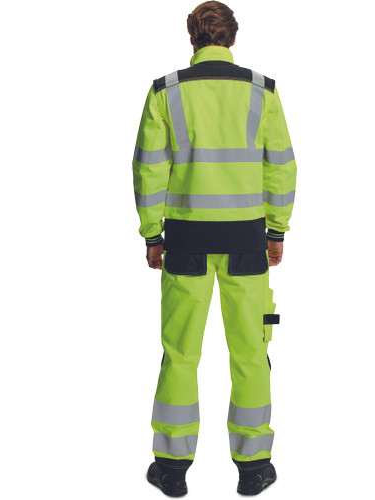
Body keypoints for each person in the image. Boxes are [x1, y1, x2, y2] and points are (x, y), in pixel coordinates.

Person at [132, 1, 297, 496]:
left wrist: (152, 236)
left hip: (186, 240)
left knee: (180, 354)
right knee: (250, 353)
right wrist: (277, 231)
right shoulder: (263, 91)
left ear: (192, 39)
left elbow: (148, 169)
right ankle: (254, 468)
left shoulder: (165, 92)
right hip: (247, 239)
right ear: (232, 38)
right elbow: (281, 166)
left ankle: (171, 469)